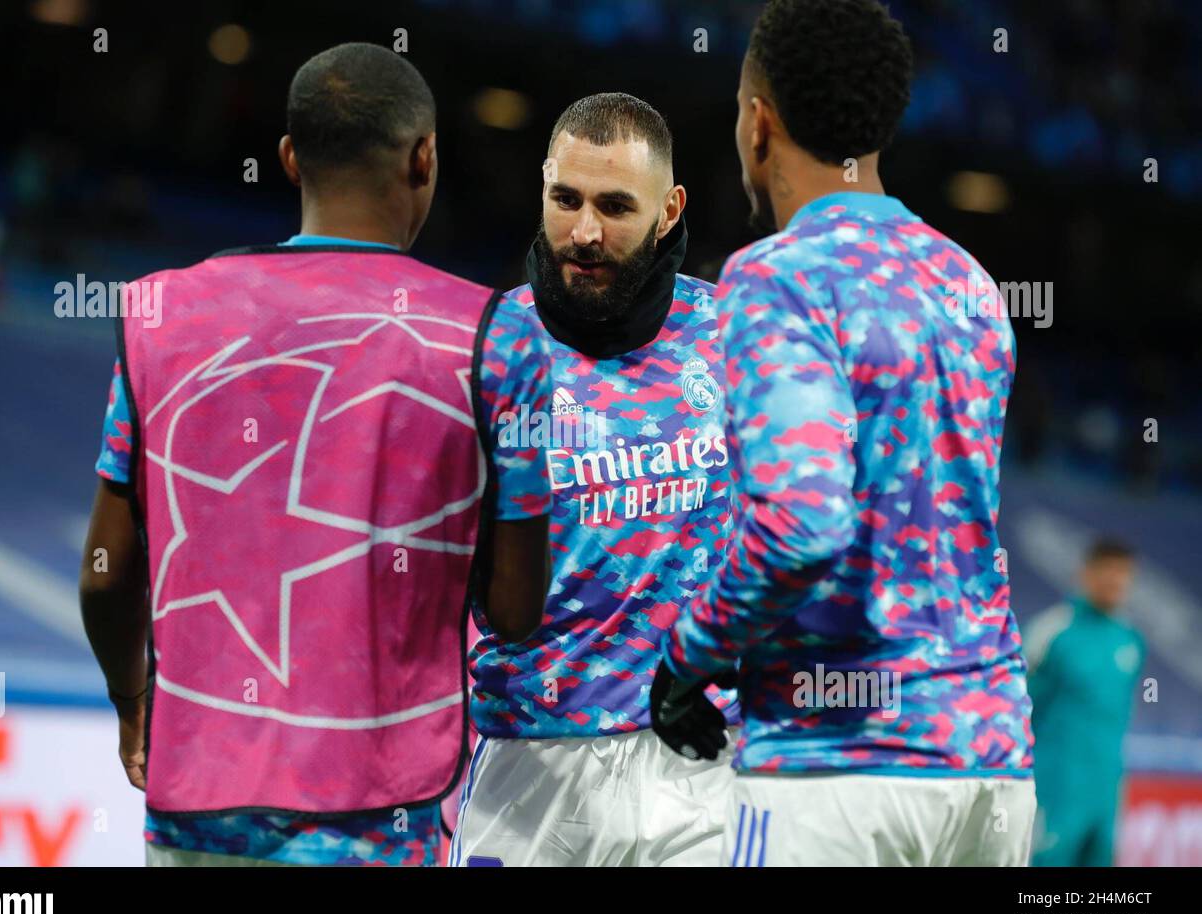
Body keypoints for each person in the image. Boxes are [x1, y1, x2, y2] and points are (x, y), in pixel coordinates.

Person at [79, 42, 551, 867]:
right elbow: (516, 609)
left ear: (290, 159)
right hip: (383, 815)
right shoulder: (494, 334)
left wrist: (133, 703)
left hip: (199, 803)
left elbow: (104, 572)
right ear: (424, 157)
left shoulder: (161, 312)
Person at [654, 0, 1035, 866]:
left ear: (760, 123)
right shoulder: (970, 282)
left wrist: (689, 657)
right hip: (991, 766)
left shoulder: (777, 278)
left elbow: (801, 526)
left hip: (836, 774)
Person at [451, 93, 738, 867]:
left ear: (670, 210)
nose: (583, 232)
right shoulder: (484, 348)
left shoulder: (737, 336)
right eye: (565, 199)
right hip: (532, 769)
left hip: (705, 768)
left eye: (615, 206)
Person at [1027, 537, 1145, 866]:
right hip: (1054, 786)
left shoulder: (1131, 640)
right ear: (1086, 574)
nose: (1116, 581)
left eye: (1124, 573)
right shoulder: (1052, 632)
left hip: (1106, 788)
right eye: (1108, 571)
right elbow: (1017, 709)